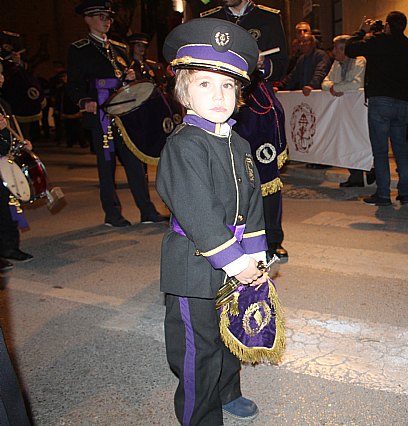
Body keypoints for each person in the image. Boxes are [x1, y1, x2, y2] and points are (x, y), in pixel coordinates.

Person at [157, 18, 267, 425]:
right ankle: (199, 416)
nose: (218, 95)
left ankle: (228, 390)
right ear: (184, 91)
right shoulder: (184, 145)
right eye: (204, 84)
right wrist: (236, 261)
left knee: (229, 334)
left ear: (239, 93)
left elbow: (253, 202)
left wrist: (256, 256)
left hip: (235, 260)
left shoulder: (237, 141)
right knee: (196, 349)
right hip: (194, 265)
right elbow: (197, 213)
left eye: (228, 86)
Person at [202, 0, 290, 262]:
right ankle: (222, 237)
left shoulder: (269, 17)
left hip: (255, 98)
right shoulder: (210, 17)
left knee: (266, 171)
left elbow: (282, 63)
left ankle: (273, 238)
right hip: (218, 96)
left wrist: (262, 64)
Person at [66, 0, 166, 227]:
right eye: (102, 17)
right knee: (107, 165)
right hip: (101, 115)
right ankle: (112, 214)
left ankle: (146, 211)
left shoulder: (119, 48)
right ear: (88, 19)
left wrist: (130, 77)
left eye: (109, 18)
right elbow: (73, 85)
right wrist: (84, 101)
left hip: (125, 114)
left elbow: (124, 76)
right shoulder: (80, 49)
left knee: (134, 164)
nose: (107, 21)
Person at [345, 11, 408, 206]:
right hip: (402, 102)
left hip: (381, 101)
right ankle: (404, 194)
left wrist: (362, 31)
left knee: (381, 151)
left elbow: (350, 49)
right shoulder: (407, 44)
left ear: (388, 25)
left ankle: (383, 194)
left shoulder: (380, 40)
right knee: (401, 149)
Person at [321, 34, 367, 187]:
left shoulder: (359, 61)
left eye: (335, 48)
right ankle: (356, 176)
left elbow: (357, 83)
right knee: (347, 141)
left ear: (344, 49)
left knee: (360, 141)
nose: (333, 52)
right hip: (345, 110)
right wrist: (334, 87)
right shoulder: (336, 63)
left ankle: (368, 171)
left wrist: (337, 87)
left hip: (359, 109)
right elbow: (325, 82)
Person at [0, 63, 34, 266]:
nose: (1, 77)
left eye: (2, 73)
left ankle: (10, 247)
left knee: (10, 206)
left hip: (5, 163)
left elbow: (10, 134)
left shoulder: (4, 103)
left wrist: (22, 144)